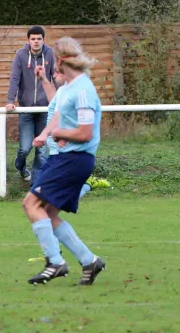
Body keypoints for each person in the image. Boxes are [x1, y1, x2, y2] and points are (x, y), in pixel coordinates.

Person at [23, 36, 106, 286]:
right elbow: (59, 115)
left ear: (59, 60)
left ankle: (55, 262)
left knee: (31, 204)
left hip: (74, 159)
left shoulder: (83, 91)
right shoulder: (70, 87)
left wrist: (57, 134)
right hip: (64, 158)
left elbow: (85, 133)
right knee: (48, 213)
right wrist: (48, 134)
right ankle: (89, 260)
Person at [6, 26, 55, 184]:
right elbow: (14, 79)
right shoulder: (20, 55)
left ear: (43, 40)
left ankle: (36, 184)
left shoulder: (50, 54)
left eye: (39, 39)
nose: (36, 41)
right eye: (33, 39)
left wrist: (61, 100)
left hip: (44, 109)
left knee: (41, 150)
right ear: (28, 41)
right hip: (26, 108)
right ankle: (20, 165)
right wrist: (10, 101)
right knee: (25, 148)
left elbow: (55, 77)